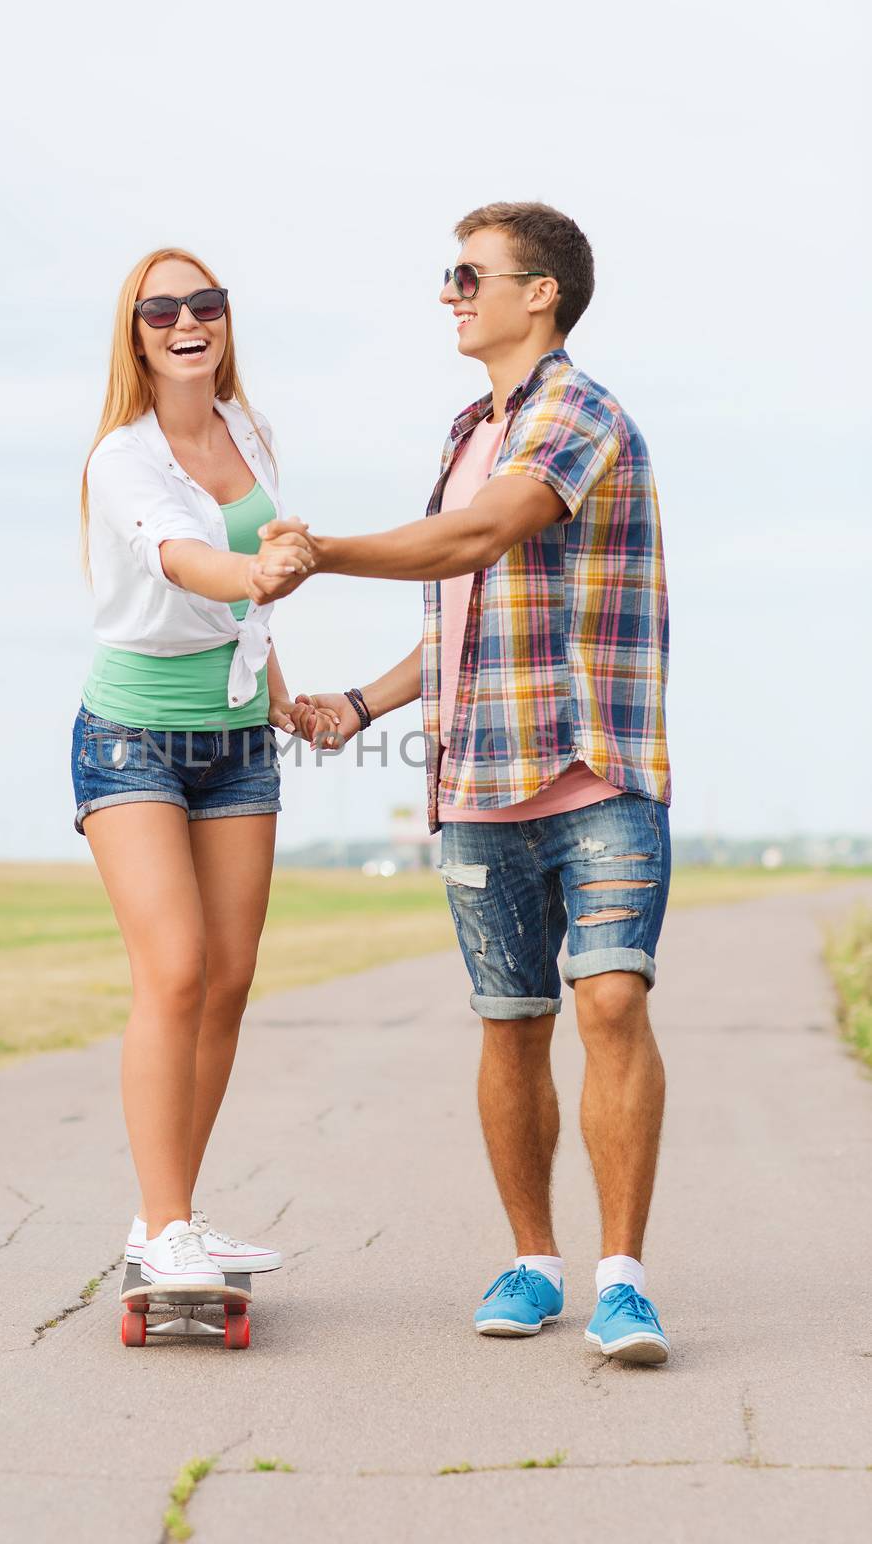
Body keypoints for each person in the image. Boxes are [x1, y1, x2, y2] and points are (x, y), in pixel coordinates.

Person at [265, 203, 674, 1364]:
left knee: (609, 1000)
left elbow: (475, 541)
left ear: (539, 292)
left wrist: (323, 550)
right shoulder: (465, 428)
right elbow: (457, 610)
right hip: (477, 781)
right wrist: (361, 704)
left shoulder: (576, 412)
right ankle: (535, 1262)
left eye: (468, 273)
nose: (450, 293)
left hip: (594, 772)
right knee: (511, 1024)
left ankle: (624, 1279)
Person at [72, 247, 319, 1289]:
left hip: (236, 742)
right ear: (136, 334)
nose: (187, 320)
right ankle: (168, 1222)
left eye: (204, 304)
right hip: (131, 737)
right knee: (172, 972)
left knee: (227, 982)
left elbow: (243, 601)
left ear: (224, 321)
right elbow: (187, 559)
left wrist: (280, 691)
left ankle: (165, 1217)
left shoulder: (248, 429)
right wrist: (257, 568)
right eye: (161, 308)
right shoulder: (122, 459)